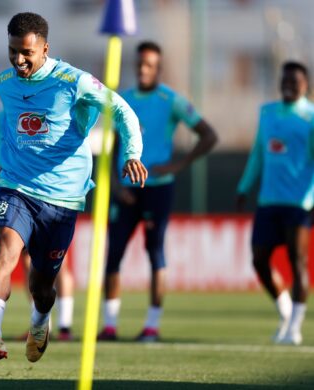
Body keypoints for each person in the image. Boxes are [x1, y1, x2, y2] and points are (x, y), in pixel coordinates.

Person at [0, 12, 147, 363]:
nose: (18, 60)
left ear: (45, 48)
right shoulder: (4, 82)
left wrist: (132, 154)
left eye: (26, 52)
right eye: (12, 51)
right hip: (16, 186)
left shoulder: (74, 81)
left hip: (62, 198)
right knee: (3, 253)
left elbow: (123, 112)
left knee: (42, 286)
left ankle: (41, 320)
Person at [98, 41, 217, 342]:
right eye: (139, 63)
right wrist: (114, 185)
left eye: (149, 64)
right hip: (126, 192)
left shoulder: (172, 100)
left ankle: (152, 326)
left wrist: (180, 164)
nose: (143, 69)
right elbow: (110, 147)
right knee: (113, 255)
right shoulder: (121, 100)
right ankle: (110, 326)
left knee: (155, 253)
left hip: (158, 189)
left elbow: (208, 135)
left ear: (159, 68)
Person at [236, 61, 313, 345]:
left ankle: (294, 328)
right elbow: (258, 152)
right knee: (259, 260)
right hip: (268, 201)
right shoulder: (267, 113)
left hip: (300, 203)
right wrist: (244, 187)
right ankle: (286, 310)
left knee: (299, 263)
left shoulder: (311, 118)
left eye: (295, 81)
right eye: (285, 80)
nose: (289, 85)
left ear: (306, 85)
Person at [0, 111, 75, 341]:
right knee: (27, 261)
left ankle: (65, 325)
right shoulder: (7, 110)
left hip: (53, 193)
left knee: (58, 265)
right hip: (19, 190)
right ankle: (40, 324)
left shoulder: (58, 106)